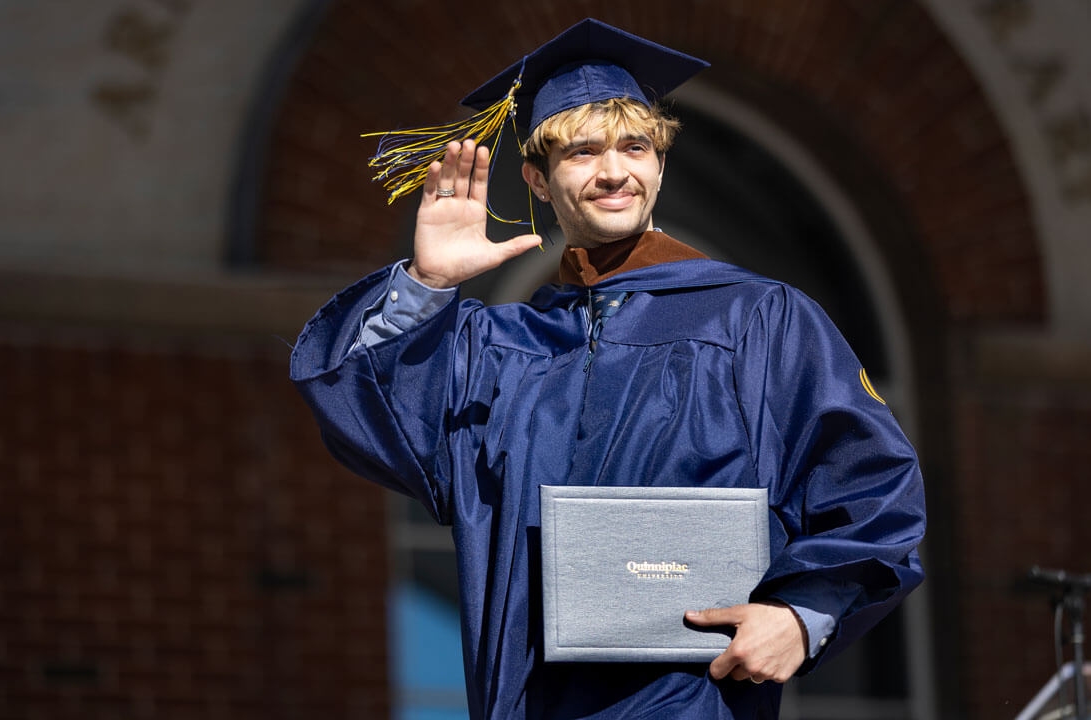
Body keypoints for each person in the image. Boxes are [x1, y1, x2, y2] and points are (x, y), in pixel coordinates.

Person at [291, 18, 926, 720]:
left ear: (661, 164)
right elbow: (365, 406)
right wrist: (426, 285)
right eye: (582, 152)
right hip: (528, 700)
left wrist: (804, 615)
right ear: (536, 177)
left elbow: (875, 487)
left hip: (695, 701)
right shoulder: (495, 348)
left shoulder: (760, 321)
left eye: (635, 146)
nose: (614, 171)